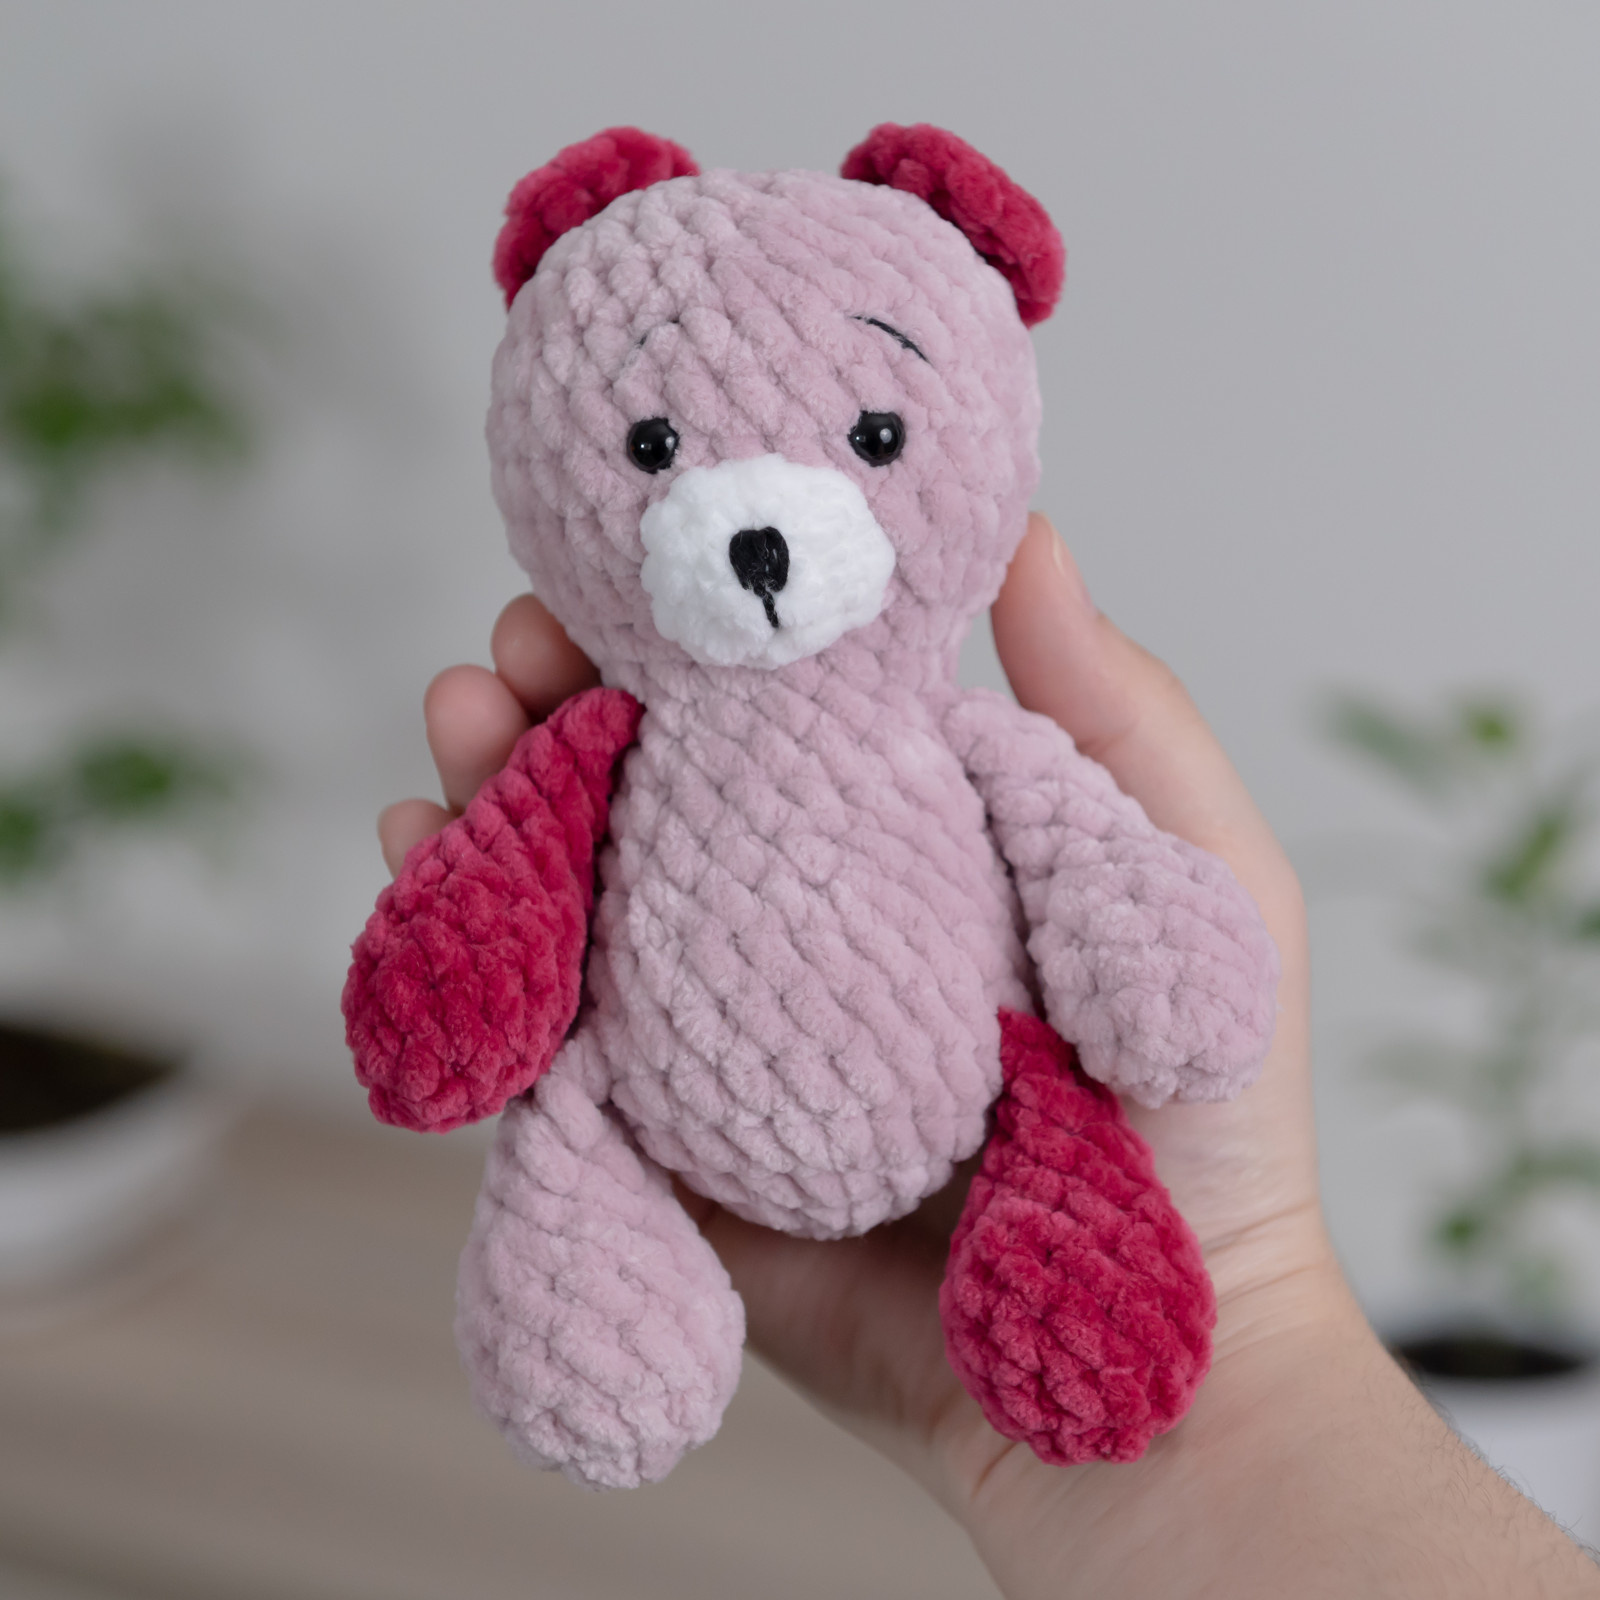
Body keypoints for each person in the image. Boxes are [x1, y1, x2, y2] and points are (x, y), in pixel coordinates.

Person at [376, 512, 1599, 1598]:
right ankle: (600, 1288)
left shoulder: (962, 734)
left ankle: (1073, 1273)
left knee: (1052, 1097)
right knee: (563, 1098)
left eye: (872, 441)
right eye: (653, 452)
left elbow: (1082, 848)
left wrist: (1168, 984)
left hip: (986, 1089)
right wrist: (453, 1002)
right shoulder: (601, 738)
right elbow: (500, 889)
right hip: (644, 1105)